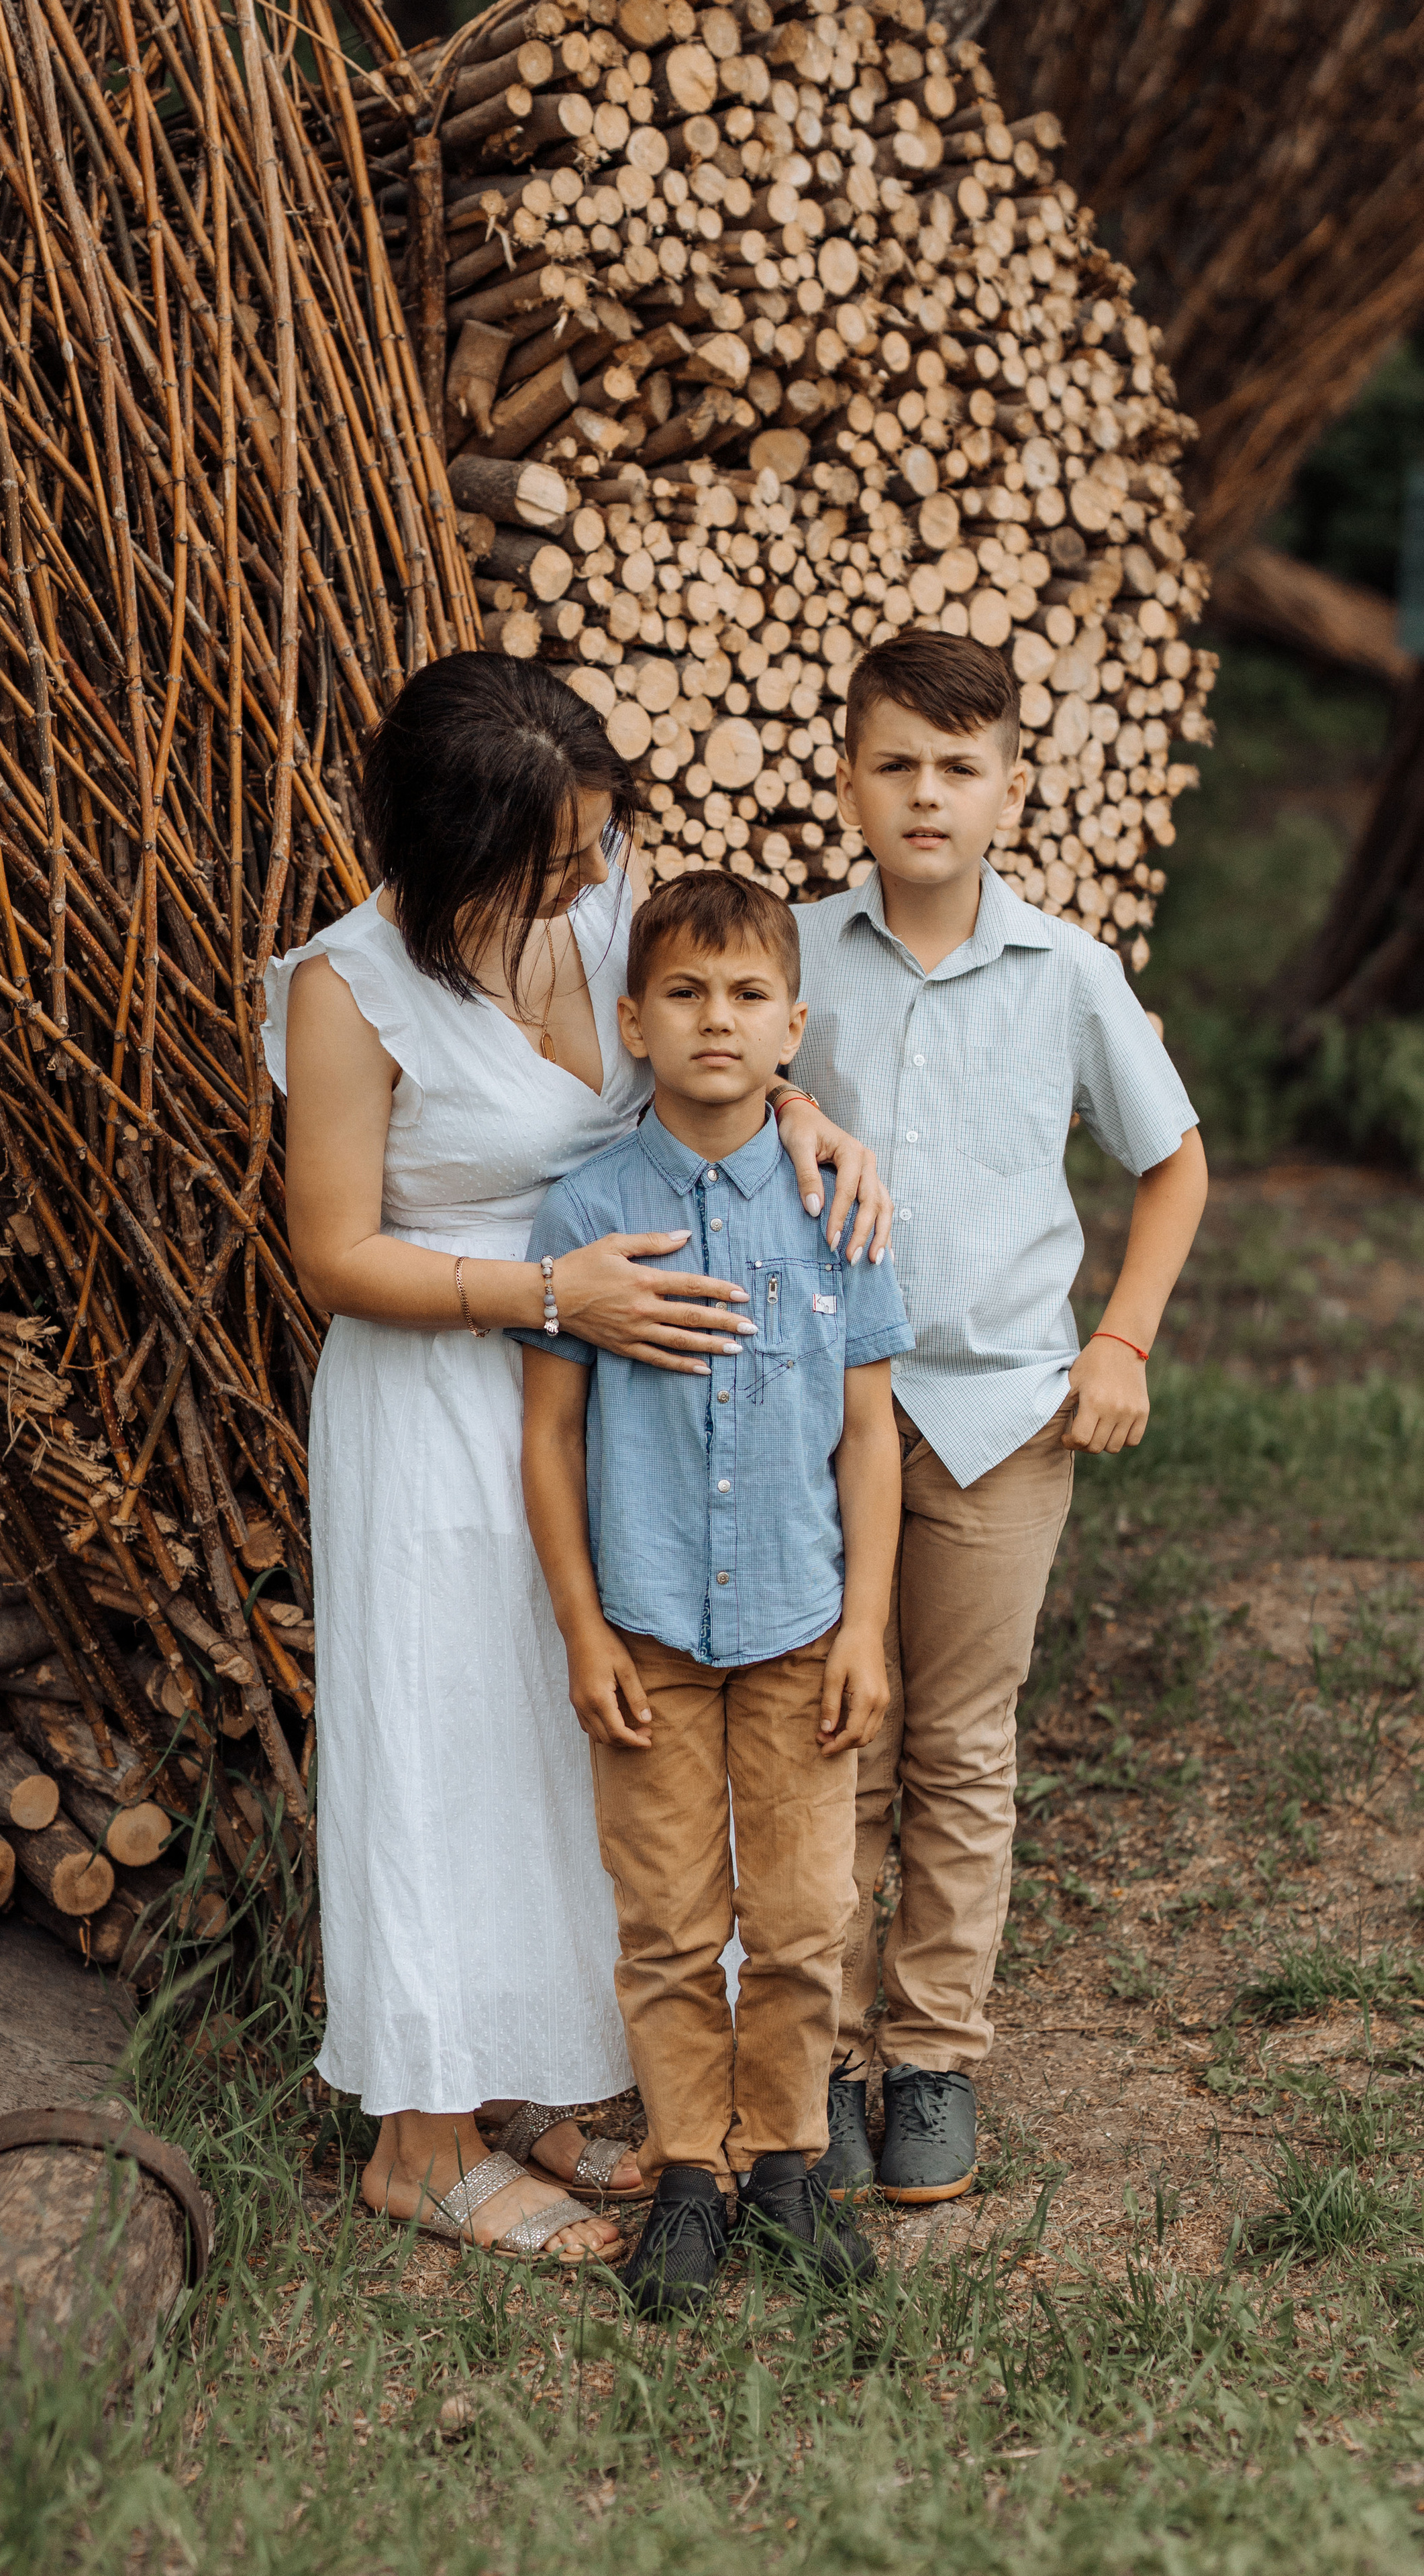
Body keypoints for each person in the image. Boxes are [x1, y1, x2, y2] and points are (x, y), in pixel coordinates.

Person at [266, 651, 891, 2264]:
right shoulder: (350, 990)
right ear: (451, 849)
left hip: (608, 1406)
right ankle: (417, 2138)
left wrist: (806, 1118)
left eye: (592, 845)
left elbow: (714, 1023)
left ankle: (524, 2078)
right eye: (546, 857)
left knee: (572, 1761)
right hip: (438, 1382)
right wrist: (554, 1289)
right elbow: (332, 1250)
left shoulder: (604, 906)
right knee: (444, 1746)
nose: (582, 878)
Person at [783, 631, 1209, 2208]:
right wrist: (782, 1103)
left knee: (958, 1743)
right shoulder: (795, 955)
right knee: (838, 1733)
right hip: (817, 1417)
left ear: (1008, 791)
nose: (924, 794)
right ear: (845, 780)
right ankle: (814, 2059)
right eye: (893, 763)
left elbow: (1169, 1164)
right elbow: (709, 1093)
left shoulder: (1068, 975)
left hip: (1000, 1420)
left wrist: (1122, 1340)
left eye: (957, 768)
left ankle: (934, 2058)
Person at [517, 873, 915, 2316]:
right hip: (649, 1629)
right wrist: (577, 1626)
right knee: (671, 1917)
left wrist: (866, 1624)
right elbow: (548, 1439)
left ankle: (786, 2164)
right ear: (633, 1018)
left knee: (805, 1913)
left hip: (804, 1627)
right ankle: (687, 2171)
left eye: (746, 994)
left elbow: (867, 1435)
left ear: (791, 1023)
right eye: (681, 993)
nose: (713, 1020)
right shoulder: (586, 1209)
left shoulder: (839, 1206)